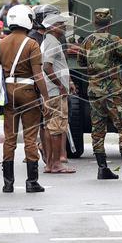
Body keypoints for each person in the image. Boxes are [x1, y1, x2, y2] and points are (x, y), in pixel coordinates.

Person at [0, 5, 50, 193]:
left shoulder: (0, 44)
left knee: (10, 138)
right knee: (30, 137)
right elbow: (38, 76)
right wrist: (46, 98)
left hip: (9, 93)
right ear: (27, 21)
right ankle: (32, 182)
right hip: (28, 91)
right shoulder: (32, 44)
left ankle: (8, 183)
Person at [79, 8, 122, 181]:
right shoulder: (115, 41)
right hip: (113, 91)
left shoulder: (87, 41)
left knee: (98, 130)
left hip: (94, 91)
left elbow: (80, 61)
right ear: (109, 23)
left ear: (95, 23)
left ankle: (102, 168)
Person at [40, 15, 75, 174]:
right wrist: (60, 85)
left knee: (49, 127)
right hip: (55, 92)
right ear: (52, 27)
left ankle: (49, 163)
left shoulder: (48, 41)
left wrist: (69, 82)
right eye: (61, 25)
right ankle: (55, 164)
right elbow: (47, 67)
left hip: (50, 91)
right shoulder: (53, 42)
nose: (64, 27)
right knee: (57, 128)